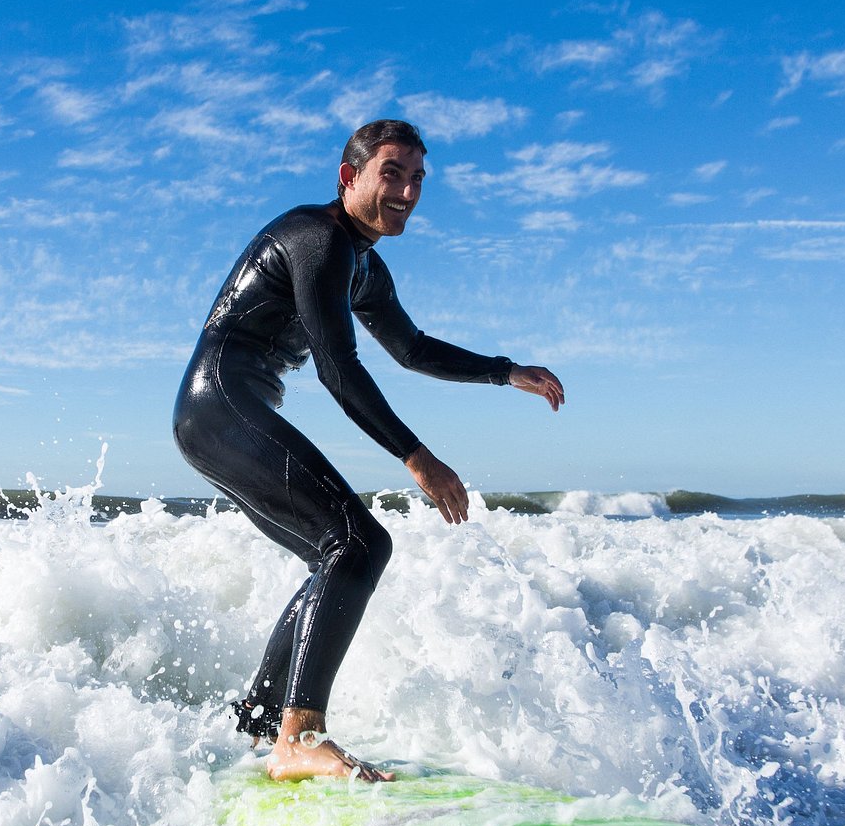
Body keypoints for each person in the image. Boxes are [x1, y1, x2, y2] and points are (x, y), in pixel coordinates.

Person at [173, 120, 563, 783]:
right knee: (359, 544)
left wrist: (506, 371)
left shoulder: (362, 265)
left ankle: (260, 726)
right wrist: (417, 456)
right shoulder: (316, 239)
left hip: (220, 413)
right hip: (220, 404)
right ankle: (299, 736)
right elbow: (337, 365)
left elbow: (412, 349)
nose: (408, 190)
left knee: (333, 558)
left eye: (417, 179)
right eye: (392, 173)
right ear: (349, 177)